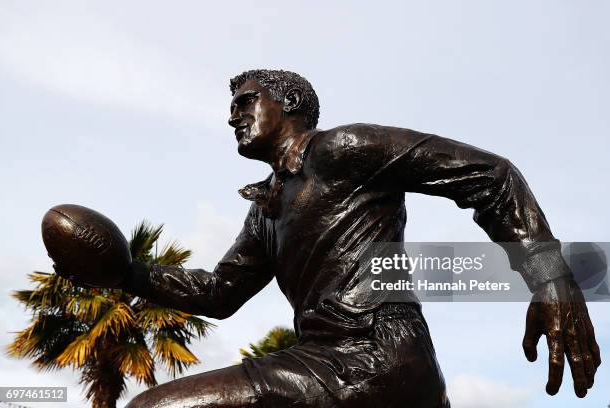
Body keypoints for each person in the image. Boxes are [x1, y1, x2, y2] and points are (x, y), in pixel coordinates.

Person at [68, 70, 600, 407]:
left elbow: (490, 176)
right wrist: (127, 272)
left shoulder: (343, 149)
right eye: (232, 105)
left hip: (375, 356)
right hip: (325, 360)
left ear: (290, 102)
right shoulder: (267, 210)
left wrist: (551, 278)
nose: (233, 114)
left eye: (247, 100)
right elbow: (218, 292)